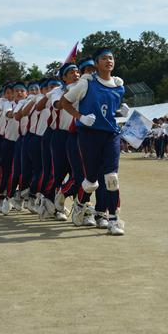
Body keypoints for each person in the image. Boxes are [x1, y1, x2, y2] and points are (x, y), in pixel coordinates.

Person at [62, 48, 127, 235]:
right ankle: (80, 204)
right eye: (104, 58)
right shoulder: (86, 83)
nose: (109, 61)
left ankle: (113, 218)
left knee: (111, 177)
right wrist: (80, 117)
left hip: (111, 134)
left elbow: (108, 111)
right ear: (96, 63)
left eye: (111, 57)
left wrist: (120, 112)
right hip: (89, 135)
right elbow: (65, 102)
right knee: (91, 180)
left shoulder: (118, 85)